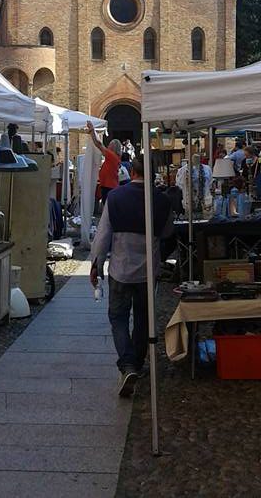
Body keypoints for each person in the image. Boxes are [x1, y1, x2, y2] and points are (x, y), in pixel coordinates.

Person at [90, 156, 173, 397]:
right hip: (148, 269)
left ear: (132, 171)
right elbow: (167, 231)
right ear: (152, 173)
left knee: (117, 317)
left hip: (121, 268)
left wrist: (96, 265)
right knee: (142, 319)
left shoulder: (115, 197)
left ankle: (127, 365)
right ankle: (134, 365)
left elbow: (103, 235)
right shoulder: (162, 200)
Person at [86, 121, 122, 204]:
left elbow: (99, 144)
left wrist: (92, 130)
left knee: (108, 208)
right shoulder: (113, 157)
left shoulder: (112, 156)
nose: (108, 146)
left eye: (109, 144)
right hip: (108, 186)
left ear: (113, 147)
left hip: (109, 187)